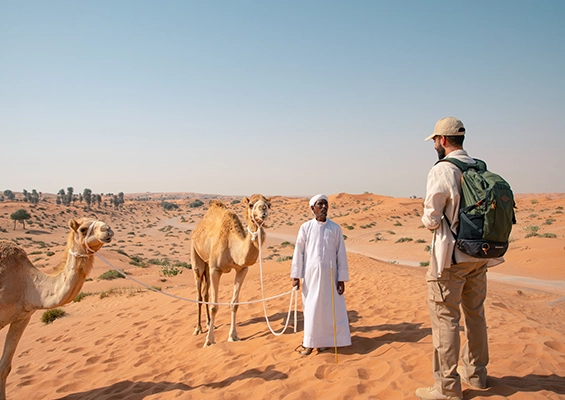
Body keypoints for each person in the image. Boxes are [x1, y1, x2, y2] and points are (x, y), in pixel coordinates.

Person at [416, 117, 499, 400]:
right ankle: (476, 374)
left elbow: (431, 219)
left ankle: (446, 387)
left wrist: (429, 216)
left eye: (435, 141)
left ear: (441, 140)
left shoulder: (443, 170)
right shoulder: (478, 166)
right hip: (480, 255)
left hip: (450, 258)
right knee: (475, 314)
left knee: (445, 320)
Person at [290, 194, 351, 356]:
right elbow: (299, 252)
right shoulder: (305, 228)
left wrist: (341, 279)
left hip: (331, 278)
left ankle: (324, 342)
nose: (323, 207)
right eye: (320, 204)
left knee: (328, 310)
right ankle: (309, 343)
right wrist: (296, 275)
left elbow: (341, 254)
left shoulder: (335, 228)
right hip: (311, 277)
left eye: (325, 204)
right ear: (312, 208)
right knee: (311, 309)